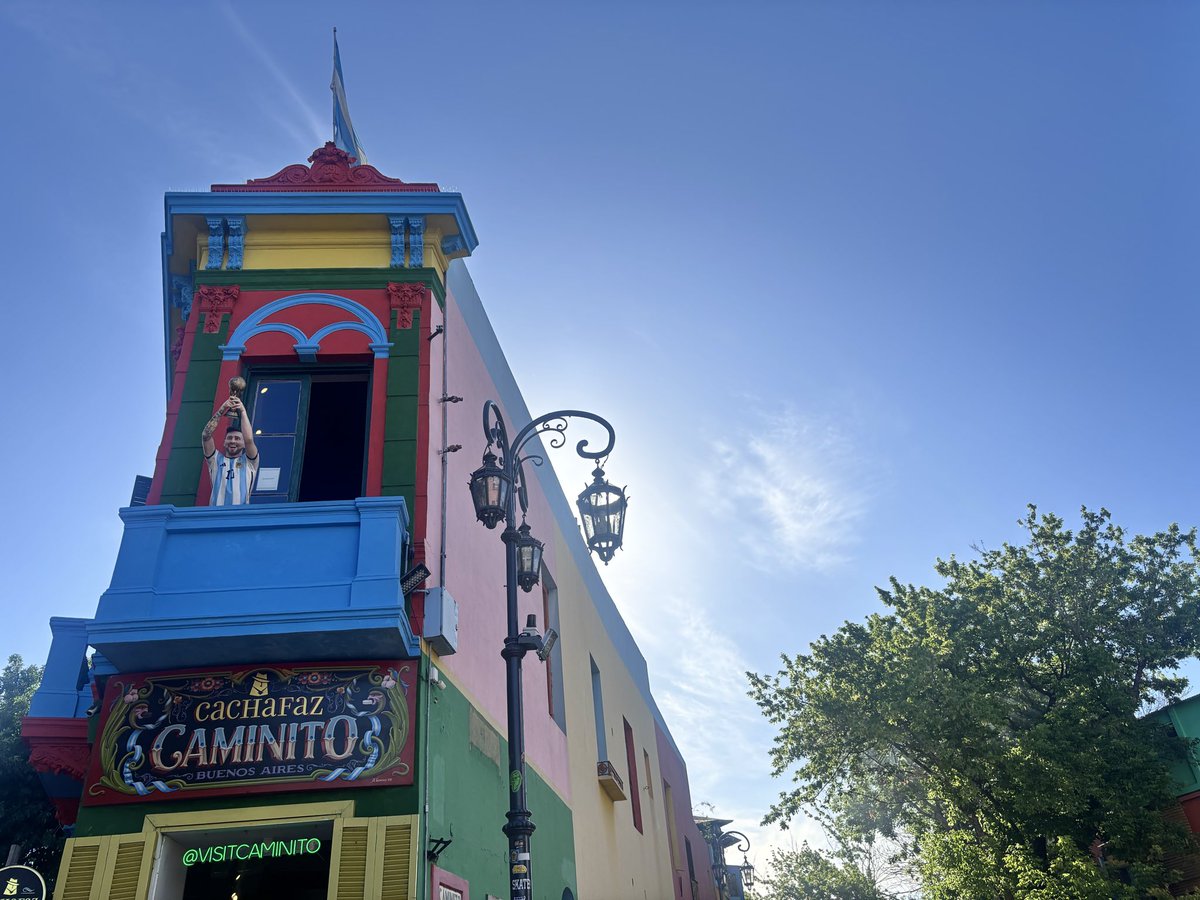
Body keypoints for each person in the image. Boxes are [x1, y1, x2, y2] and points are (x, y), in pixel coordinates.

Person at [201, 396, 259, 505]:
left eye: (237, 439)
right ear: (224, 442)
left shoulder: (249, 462)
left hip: (240, 513)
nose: (232, 441)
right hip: (216, 513)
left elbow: (249, 439)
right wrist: (222, 410)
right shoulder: (215, 460)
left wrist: (242, 411)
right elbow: (206, 435)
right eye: (229, 438)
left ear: (244, 444)